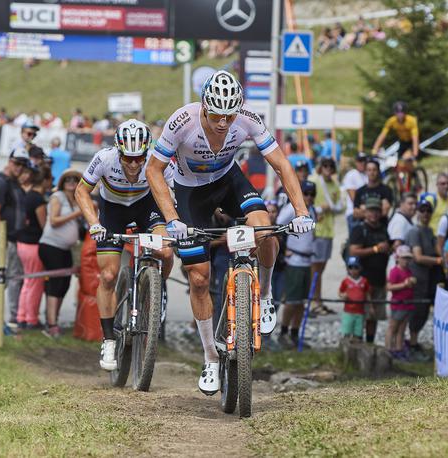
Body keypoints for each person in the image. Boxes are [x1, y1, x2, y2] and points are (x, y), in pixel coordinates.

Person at [145, 70, 314, 395]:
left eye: (229, 115)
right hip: (190, 193)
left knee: (265, 231)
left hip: (228, 182)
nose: (223, 122)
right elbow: (154, 170)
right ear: (204, 106)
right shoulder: (182, 121)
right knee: (199, 278)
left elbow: (282, 164)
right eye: (216, 115)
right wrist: (172, 218)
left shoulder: (248, 118)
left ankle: (264, 297)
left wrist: (301, 211)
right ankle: (210, 357)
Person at [76, 119, 175, 371]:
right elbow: (81, 191)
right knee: (108, 275)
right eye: (127, 158)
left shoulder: (156, 159)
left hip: (146, 208)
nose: (133, 164)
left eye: (139, 158)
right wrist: (93, 223)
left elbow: (179, 191)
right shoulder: (104, 158)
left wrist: (178, 221)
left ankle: (157, 290)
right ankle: (109, 339)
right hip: (113, 212)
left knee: (165, 249)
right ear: (118, 152)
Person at [0, 150, 28, 334]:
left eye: (22, 165)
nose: (19, 168)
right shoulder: (0, 182)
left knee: (1, 282)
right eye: (17, 163)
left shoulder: (13, 183)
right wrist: (0, 239)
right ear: (9, 161)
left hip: (8, 239)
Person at [38, 169, 83, 338]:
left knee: (64, 284)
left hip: (66, 248)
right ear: (62, 182)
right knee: (55, 285)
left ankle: (54, 318)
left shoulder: (76, 199)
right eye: (68, 180)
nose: (71, 182)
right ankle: (51, 324)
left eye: (75, 179)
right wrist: (77, 213)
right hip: (51, 245)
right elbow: (54, 221)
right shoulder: (57, 197)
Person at [276, 181, 317, 348]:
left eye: (311, 194)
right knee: (292, 300)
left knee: (301, 301)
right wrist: (283, 249)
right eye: (305, 193)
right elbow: (278, 225)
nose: (308, 197)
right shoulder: (292, 209)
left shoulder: (312, 210)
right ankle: (284, 332)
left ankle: (295, 333)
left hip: (307, 260)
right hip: (295, 260)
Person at [349, 197, 390, 343]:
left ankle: (370, 342)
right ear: (365, 212)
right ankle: (357, 343)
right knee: (361, 314)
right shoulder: (359, 229)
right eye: (371, 210)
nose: (374, 214)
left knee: (375, 316)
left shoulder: (384, 229)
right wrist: (375, 249)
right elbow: (354, 251)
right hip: (363, 279)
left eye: (377, 210)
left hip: (379, 278)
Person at [405, 198, 442, 361]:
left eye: (428, 211)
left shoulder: (429, 231)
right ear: (418, 212)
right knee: (416, 312)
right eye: (423, 210)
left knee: (424, 311)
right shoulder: (415, 231)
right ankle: (411, 345)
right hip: (417, 277)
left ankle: (414, 343)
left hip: (428, 278)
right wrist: (438, 261)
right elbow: (418, 257)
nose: (426, 214)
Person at [17, 166, 52, 329]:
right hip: (33, 244)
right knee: (35, 282)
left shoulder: (28, 195)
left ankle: (21, 315)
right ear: (44, 181)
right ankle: (31, 318)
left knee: (27, 281)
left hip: (22, 243)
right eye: (50, 179)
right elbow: (43, 224)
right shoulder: (38, 199)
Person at [309, 157, 342, 316]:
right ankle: (313, 301)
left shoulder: (335, 185)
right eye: (325, 165)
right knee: (315, 268)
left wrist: (330, 208)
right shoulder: (314, 181)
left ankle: (317, 300)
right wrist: (319, 210)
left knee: (320, 269)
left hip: (328, 231)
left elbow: (342, 206)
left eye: (331, 166)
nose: (328, 168)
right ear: (321, 167)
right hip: (317, 230)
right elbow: (304, 201)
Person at [386, 245, 416, 360]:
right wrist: (404, 284)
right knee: (393, 327)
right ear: (397, 258)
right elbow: (389, 287)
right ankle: (388, 349)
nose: (406, 261)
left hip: (407, 303)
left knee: (402, 329)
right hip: (398, 304)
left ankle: (399, 349)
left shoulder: (408, 271)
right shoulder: (395, 271)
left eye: (408, 258)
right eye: (403, 258)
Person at [338, 256, 369, 342]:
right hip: (348, 311)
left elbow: (367, 293)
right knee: (347, 331)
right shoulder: (346, 281)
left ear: (360, 268)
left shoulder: (364, 281)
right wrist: (343, 296)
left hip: (360, 311)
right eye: (350, 268)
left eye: (356, 267)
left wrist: (370, 306)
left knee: (358, 333)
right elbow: (340, 292)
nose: (353, 270)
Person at [342, 152, 368, 233]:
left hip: (367, 214)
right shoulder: (351, 175)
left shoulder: (368, 174)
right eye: (360, 160)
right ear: (356, 162)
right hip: (354, 214)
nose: (363, 163)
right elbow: (355, 199)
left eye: (364, 160)